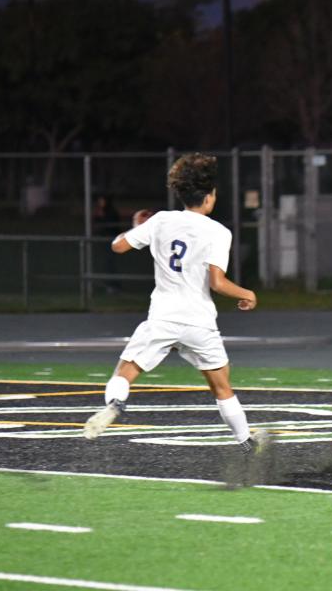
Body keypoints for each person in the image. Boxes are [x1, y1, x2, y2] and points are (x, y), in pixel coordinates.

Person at [83, 153, 264, 454]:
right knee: (222, 387)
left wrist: (135, 227)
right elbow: (217, 282)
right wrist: (248, 294)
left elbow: (118, 246)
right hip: (200, 322)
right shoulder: (219, 232)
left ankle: (115, 404)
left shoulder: (161, 221)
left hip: (163, 318)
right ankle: (247, 442)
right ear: (208, 197)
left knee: (124, 372)